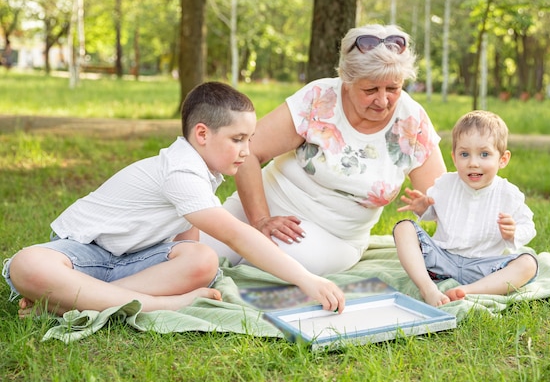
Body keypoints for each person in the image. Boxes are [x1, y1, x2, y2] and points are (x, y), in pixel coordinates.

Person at [2, 81, 345, 318]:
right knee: (27, 264)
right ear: (202, 134)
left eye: (250, 139)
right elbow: (238, 235)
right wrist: (307, 279)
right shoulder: (180, 170)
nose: (247, 150)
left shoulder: (205, 171)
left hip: (132, 263)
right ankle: (161, 305)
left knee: (203, 260)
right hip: (88, 255)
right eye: (238, 139)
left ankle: (76, 302)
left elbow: (186, 237)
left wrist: (192, 264)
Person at [200, 24, 447, 275]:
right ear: (346, 79)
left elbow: (447, 200)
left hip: (332, 238)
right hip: (261, 205)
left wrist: (429, 207)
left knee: (271, 256)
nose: (383, 101)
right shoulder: (319, 97)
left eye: (393, 88)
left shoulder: (413, 122)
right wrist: (261, 219)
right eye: (371, 89)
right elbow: (248, 150)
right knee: (193, 251)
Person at [393, 110, 539, 307]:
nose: (473, 163)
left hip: (484, 267)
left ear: (502, 159)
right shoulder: (445, 183)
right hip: (441, 261)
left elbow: (528, 226)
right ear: (454, 158)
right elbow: (434, 213)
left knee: (529, 264)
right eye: (464, 154)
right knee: (403, 228)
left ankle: (468, 291)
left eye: (484, 154)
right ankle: (427, 288)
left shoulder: (509, 194)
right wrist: (422, 209)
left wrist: (514, 232)